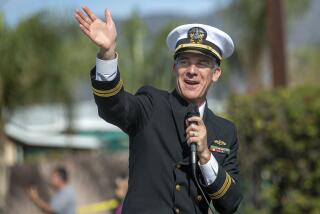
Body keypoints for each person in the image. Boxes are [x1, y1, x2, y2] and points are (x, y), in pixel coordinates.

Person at [75, 6, 242, 214]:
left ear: (216, 74)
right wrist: (107, 54)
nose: (191, 71)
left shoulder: (224, 131)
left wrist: (206, 156)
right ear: (174, 69)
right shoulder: (152, 104)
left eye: (202, 64)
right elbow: (113, 107)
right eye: (184, 62)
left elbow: (230, 203)